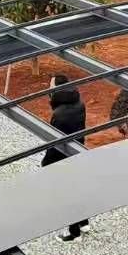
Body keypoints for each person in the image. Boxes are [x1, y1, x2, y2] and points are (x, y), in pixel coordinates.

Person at [41, 73, 90, 241]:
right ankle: (84, 222)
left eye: (51, 86)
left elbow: (55, 143)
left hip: (62, 157)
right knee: (77, 187)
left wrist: (46, 162)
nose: (48, 89)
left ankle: (73, 233)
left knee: (66, 193)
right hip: (78, 150)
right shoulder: (79, 103)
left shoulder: (59, 113)